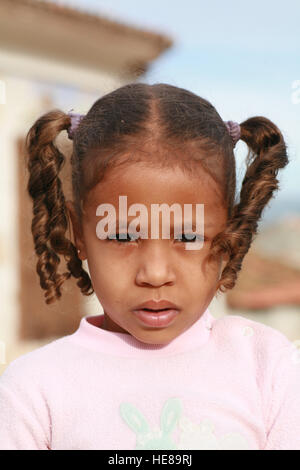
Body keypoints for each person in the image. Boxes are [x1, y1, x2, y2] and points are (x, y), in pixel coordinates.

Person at [0, 82, 299, 450]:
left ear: (229, 234)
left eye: (189, 237)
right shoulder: (33, 393)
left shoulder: (269, 370)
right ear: (80, 235)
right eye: (123, 236)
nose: (155, 274)